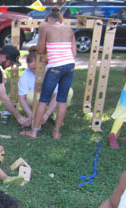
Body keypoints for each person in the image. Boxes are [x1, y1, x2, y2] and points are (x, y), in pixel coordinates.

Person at [21, 7, 76, 140]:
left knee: (43, 100)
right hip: (70, 66)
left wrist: (41, 37)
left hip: (55, 67)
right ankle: (56, 133)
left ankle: (34, 132)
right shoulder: (69, 30)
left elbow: (40, 50)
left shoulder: (46, 28)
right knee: (61, 101)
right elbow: (74, 53)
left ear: (49, 20)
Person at [18, 46, 73, 125]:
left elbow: (56, 94)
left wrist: (46, 115)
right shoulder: (25, 75)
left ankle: (55, 115)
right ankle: (36, 114)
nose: (33, 71)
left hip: (51, 96)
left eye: (35, 68)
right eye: (30, 68)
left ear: (42, 64)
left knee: (68, 91)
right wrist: (30, 115)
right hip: (37, 98)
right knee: (30, 96)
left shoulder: (52, 71)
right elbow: (22, 98)